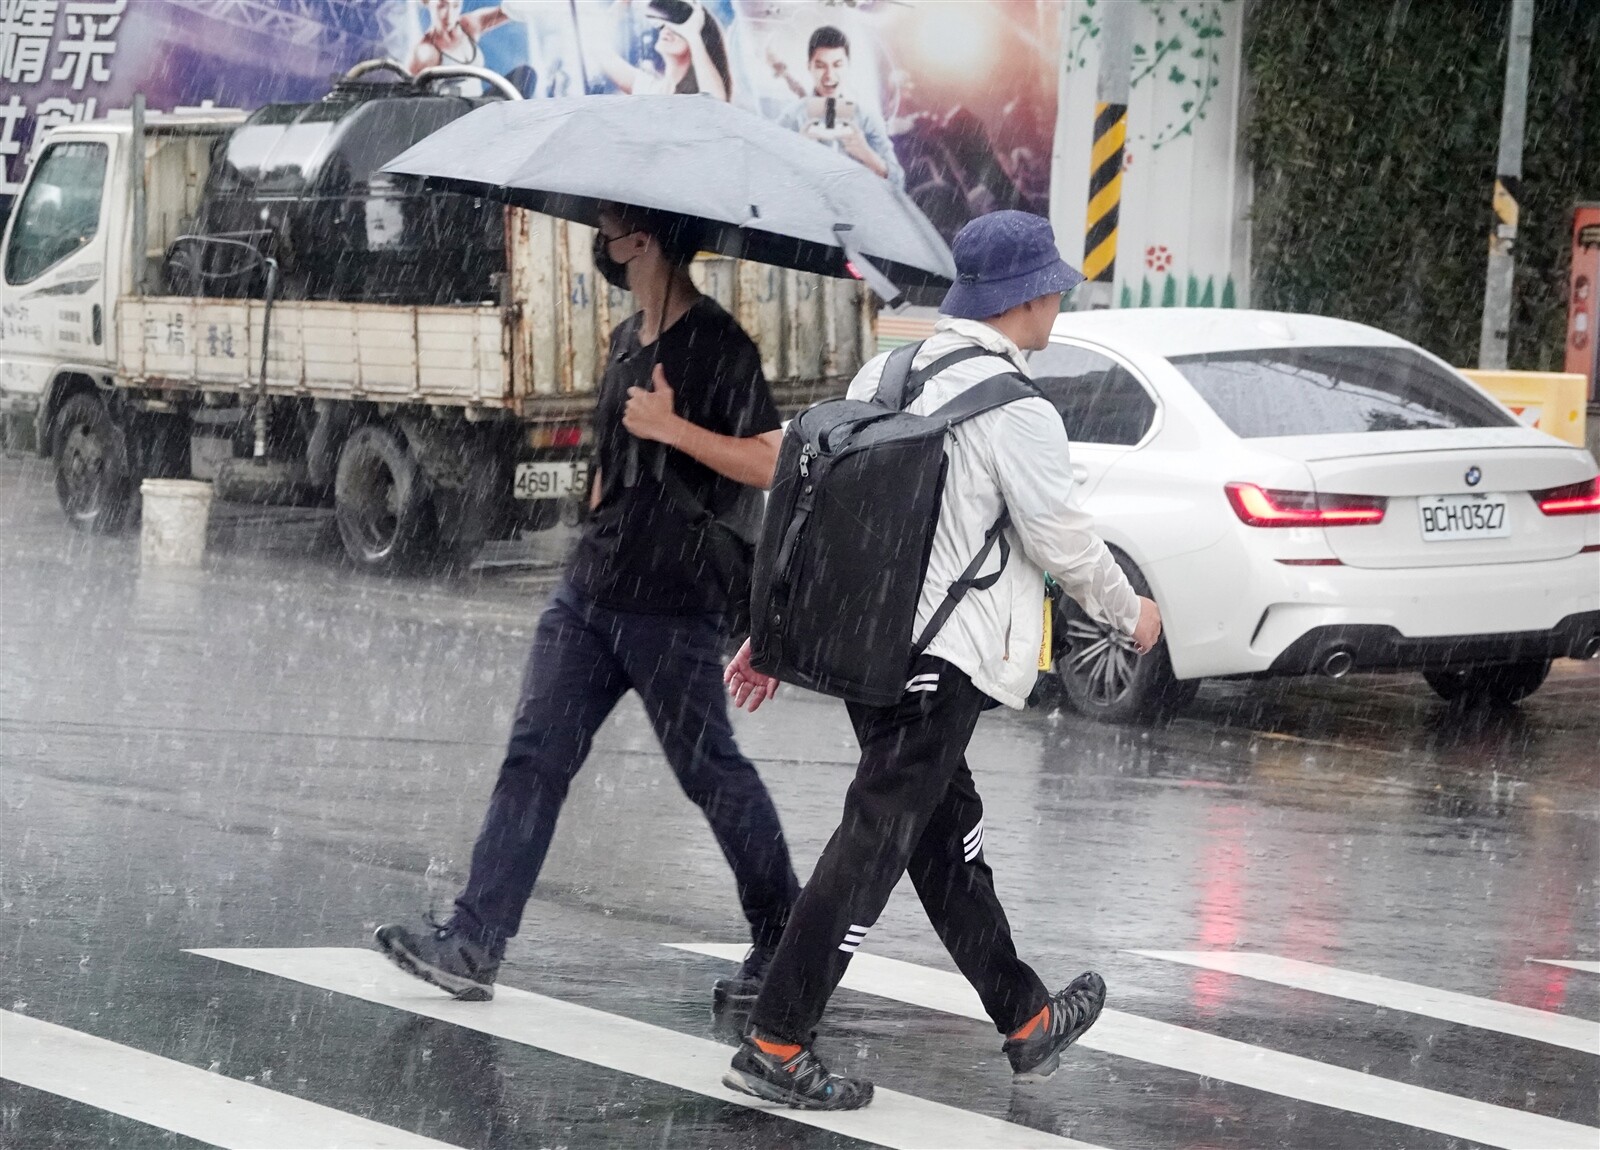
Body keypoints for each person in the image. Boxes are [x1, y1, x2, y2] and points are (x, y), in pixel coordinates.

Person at [720, 210, 1163, 1110]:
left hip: (871, 653)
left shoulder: (884, 369)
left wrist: (775, 633)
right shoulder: (1019, 411)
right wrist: (1131, 613)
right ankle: (776, 1037)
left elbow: (820, 510)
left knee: (941, 842)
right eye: (1055, 292)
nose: (1059, 306)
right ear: (1030, 298)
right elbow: (1066, 543)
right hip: (941, 667)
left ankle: (1025, 1017)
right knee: (873, 847)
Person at [375, 203, 798, 1010]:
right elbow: (612, 459)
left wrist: (675, 427)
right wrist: (595, 518)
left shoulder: (717, 345)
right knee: (535, 757)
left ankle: (783, 941)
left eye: (608, 227)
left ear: (643, 239)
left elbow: (771, 462)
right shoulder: (622, 340)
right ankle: (473, 942)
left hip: (673, 607)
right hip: (590, 595)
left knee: (711, 773)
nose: (598, 240)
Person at [776, 26, 903, 188]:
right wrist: (797, 151)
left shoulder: (867, 118)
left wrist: (868, 155)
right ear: (809, 67)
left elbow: (899, 184)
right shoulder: (791, 118)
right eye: (821, 66)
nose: (829, 75)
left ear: (848, 65)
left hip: (857, 207)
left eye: (837, 65)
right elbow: (770, 180)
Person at [592, 0, 733, 101]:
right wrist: (622, 3)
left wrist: (694, 36)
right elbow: (601, 51)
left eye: (677, 26)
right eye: (664, 24)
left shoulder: (699, 97)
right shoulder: (650, 89)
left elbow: (716, 105)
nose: (667, 30)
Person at [407, 0, 516, 73]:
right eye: (442, 6)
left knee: (525, 74)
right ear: (428, 3)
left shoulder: (468, 25)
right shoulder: (425, 52)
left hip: (481, 103)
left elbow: (508, 11)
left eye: (455, 5)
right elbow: (409, 95)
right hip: (454, 106)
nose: (449, 15)